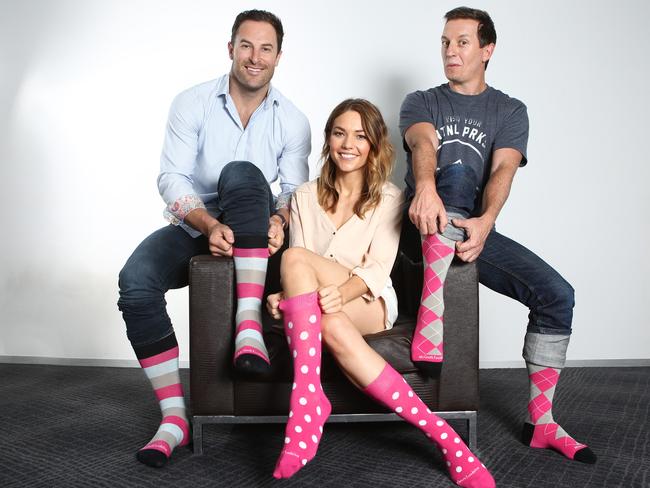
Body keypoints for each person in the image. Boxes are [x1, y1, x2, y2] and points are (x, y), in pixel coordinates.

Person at [400, 6, 596, 464]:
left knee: (557, 295)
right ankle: (432, 317)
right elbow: (423, 144)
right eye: (446, 41)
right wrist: (425, 187)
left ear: (487, 50)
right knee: (456, 169)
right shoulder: (422, 100)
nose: (451, 50)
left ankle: (542, 423)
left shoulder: (509, 110)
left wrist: (486, 222)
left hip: (469, 230)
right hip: (418, 227)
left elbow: (504, 169)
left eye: (462, 42)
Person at [266, 99, 495, 487]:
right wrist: (287, 297)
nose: (348, 144)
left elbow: (377, 269)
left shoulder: (389, 198)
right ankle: (445, 438)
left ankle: (305, 403)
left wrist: (323, 294)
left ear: (373, 144)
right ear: (328, 140)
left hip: (369, 302)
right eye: (339, 133)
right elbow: (300, 267)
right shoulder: (304, 196)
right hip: (323, 306)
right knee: (324, 312)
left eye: (359, 135)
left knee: (296, 263)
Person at [117, 10, 310, 468]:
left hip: (256, 229)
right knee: (135, 282)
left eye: (266, 49)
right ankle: (174, 417)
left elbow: (291, 192)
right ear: (230, 49)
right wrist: (206, 224)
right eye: (246, 45)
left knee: (243, 175)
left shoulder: (294, 121)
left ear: (279, 57)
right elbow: (172, 177)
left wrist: (280, 221)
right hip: (198, 224)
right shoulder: (192, 103)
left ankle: (249, 325)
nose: (254, 57)